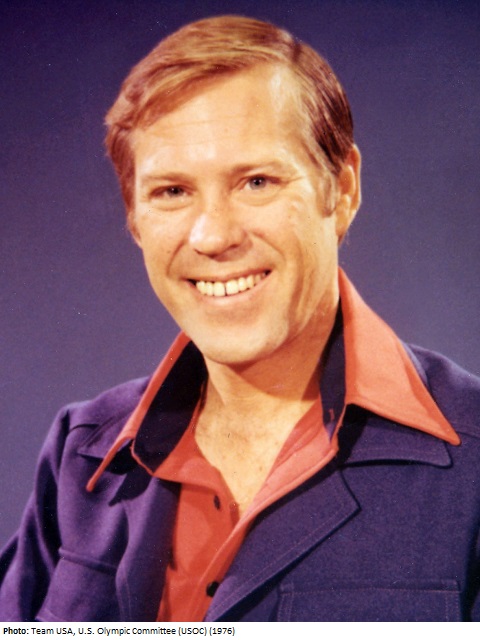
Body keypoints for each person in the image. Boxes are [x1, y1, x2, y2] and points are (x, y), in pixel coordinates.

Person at [1, 14, 479, 623]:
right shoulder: (82, 457)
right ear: (135, 219)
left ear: (343, 190)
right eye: (172, 192)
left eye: (256, 181)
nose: (213, 235)